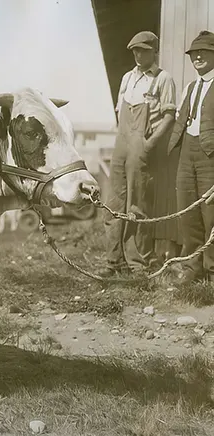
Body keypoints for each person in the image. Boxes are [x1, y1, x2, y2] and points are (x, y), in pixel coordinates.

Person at [100, 31, 177, 277]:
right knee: (113, 202)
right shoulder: (127, 78)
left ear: (154, 51)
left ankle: (138, 262)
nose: (137, 54)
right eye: (134, 50)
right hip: (122, 144)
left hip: (141, 147)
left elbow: (169, 116)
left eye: (143, 50)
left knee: (138, 203)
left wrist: (149, 143)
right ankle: (114, 261)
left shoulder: (163, 79)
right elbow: (119, 112)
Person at [168, 30, 214, 285]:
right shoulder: (190, 87)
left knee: (212, 213)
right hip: (187, 152)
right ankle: (193, 269)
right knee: (188, 210)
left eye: (204, 52)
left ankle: (212, 269)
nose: (197, 56)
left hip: (211, 156)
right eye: (194, 53)